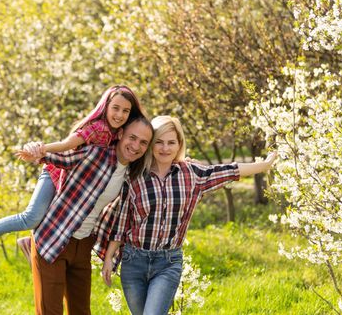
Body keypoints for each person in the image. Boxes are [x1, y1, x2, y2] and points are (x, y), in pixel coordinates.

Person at [100, 115, 277, 315]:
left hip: (167, 263)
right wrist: (108, 259)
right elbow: (122, 222)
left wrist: (265, 165)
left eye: (171, 142)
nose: (165, 148)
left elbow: (230, 171)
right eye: (159, 142)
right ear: (150, 144)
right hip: (134, 262)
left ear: (179, 144)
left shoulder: (192, 173)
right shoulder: (135, 176)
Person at [0, 85, 142, 268]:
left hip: (72, 180)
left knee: (50, 218)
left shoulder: (118, 133)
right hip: (55, 173)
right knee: (31, 217)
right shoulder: (99, 128)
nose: (119, 115)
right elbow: (67, 144)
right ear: (106, 107)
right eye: (115, 108)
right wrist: (42, 149)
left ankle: (30, 242)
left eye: (125, 111)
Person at [23, 115, 153, 315]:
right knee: (50, 311)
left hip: (83, 244)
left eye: (143, 142)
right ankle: (31, 246)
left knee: (81, 311)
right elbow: (62, 156)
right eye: (132, 138)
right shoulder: (95, 153)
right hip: (53, 236)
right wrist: (38, 149)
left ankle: (27, 246)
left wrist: (181, 161)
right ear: (120, 134)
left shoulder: (132, 175)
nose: (136, 146)